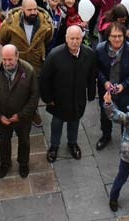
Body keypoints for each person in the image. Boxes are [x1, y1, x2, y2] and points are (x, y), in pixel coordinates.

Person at [40, 26, 97, 163]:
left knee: (74, 121)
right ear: (66, 38)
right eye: (72, 38)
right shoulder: (55, 55)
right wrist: (47, 98)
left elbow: (91, 75)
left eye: (78, 38)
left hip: (78, 97)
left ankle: (72, 143)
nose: (75, 41)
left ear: (82, 39)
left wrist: (91, 93)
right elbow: (44, 79)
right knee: (57, 123)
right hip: (58, 98)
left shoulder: (89, 54)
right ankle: (54, 146)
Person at [0, 44, 40, 178]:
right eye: (4, 59)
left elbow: (34, 97)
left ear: (17, 56)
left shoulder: (29, 70)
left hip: (23, 119)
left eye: (10, 59)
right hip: (3, 118)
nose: (7, 63)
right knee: (4, 142)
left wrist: (21, 115)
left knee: (24, 141)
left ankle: (23, 163)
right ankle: (5, 164)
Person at [94, 22, 129, 150]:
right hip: (106, 91)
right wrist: (104, 82)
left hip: (125, 91)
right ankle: (106, 136)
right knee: (105, 115)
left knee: (125, 115)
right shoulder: (100, 49)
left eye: (120, 36)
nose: (117, 39)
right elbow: (96, 68)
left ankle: (125, 138)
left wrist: (124, 85)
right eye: (114, 36)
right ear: (108, 37)